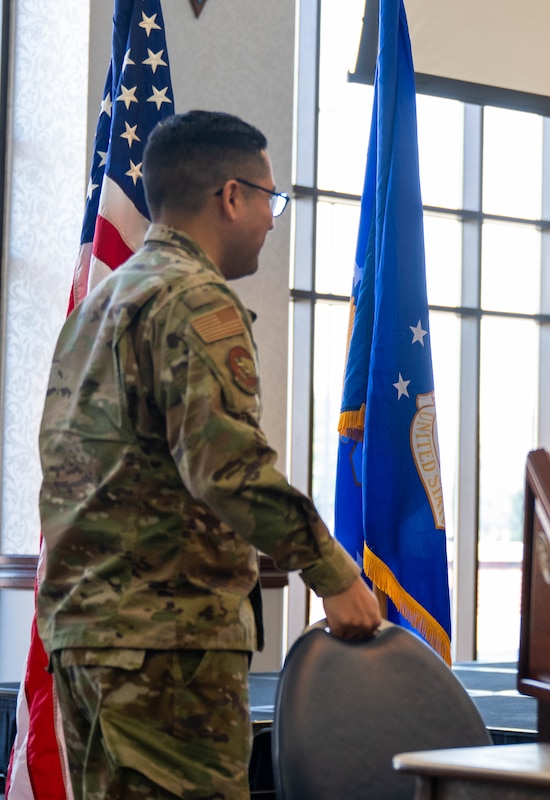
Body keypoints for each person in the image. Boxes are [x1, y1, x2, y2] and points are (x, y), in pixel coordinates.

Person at [37, 110, 382, 800]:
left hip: (88, 630)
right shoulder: (194, 301)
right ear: (231, 195)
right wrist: (334, 574)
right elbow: (227, 467)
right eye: (270, 199)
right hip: (165, 648)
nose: (273, 219)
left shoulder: (105, 299)